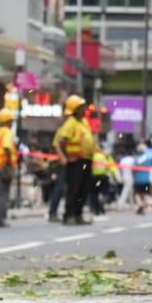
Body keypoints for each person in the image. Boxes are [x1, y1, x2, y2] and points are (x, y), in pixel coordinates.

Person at [52, 96, 96, 226]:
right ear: (75, 109)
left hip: (86, 160)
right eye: (82, 107)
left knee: (84, 189)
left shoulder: (84, 122)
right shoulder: (70, 122)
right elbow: (61, 141)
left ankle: (78, 214)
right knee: (74, 189)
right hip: (75, 161)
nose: (84, 110)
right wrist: (65, 157)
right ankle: (69, 215)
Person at [0, 108, 18, 227]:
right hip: (3, 166)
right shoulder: (6, 132)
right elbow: (6, 147)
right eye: (11, 121)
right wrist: (9, 163)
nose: (12, 123)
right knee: (2, 194)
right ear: (7, 121)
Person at [131, 139, 152, 214]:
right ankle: (143, 208)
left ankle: (140, 205)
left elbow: (133, 169)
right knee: (145, 194)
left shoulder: (136, 159)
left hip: (138, 179)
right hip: (146, 179)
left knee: (137, 194)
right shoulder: (149, 158)